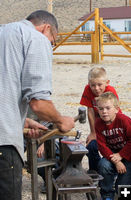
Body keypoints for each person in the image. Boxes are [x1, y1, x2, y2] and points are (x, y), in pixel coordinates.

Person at [0, 10, 74, 200]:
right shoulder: (36, 38)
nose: (50, 46)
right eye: (52, 41)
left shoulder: (3, 33)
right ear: (46, 28)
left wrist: (23, 122)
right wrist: (60, 120)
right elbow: (39, 103)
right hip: (3, 143)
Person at [80, 67, 121, 172]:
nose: (96, 88)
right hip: (99, 125)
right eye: (93, 85)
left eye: (99, 85)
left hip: (113, 124)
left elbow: (115, 113)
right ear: (89, 83)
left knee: (113, 146)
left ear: (107, 83)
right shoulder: (88, 89)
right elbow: (90, 111)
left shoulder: (110, 91)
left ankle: (112, 170)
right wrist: (93, 133)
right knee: (91, 146)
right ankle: (95, 170)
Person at [95, 92, 131, 200]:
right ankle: (107, 195)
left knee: (121, 188)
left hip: (129, 156)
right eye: (101, 109)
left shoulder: (124, 120)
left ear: (116, 109)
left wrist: (121, 155)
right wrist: (117, 161)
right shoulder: (98, 124)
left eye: (108, 108)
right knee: (103, 165)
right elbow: (102, 146)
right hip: (112, 156)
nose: (104, 112)